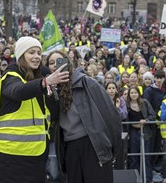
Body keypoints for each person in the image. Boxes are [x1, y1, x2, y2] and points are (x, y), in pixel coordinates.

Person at [0, 37, 69, 183]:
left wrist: (52, 89)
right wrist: (45, 82)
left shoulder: (40, 78)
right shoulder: (10, 76)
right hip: (11, 156)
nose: (37, 57)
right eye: (31, 52)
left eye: (39, 53)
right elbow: (18, 92)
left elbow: (53, 113)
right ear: (21, 55)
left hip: (37, 154)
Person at [46, 50, 122, 183]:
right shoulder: (51, 90)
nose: (55, 66)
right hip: (70, 148)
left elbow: (110, 115)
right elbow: (52, 117)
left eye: (58, 61)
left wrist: (113, 149)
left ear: (67, 64)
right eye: (51, 63)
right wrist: (50, 89)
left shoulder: (86, 82)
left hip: (93, 144)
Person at [126, 85, 155, 182]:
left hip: (145, 132)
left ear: (139, 93)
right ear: (129, 95)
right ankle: (134, 179)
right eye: (132, 93)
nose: (134, 95)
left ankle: (147, 179)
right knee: (133, 157)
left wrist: (146, 120)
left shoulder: (145, 103)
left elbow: (153, 115)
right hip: (133, 133)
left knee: (146, 157)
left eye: (135, 92)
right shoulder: (126, 105)